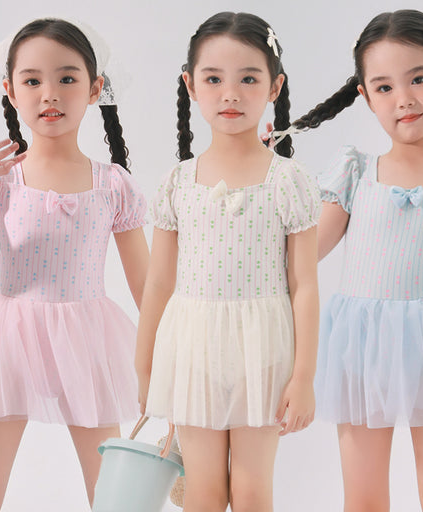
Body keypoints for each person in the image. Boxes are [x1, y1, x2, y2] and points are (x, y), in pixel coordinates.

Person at [286, 9, 423, 512]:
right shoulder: (355, 171)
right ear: (366, 96)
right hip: (359, 343)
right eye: (385, 87)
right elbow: (307, 251)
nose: (404, 99)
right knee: (364, 496)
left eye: (419, 79)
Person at [135, 12, 321, 512]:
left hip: (265, 352)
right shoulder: (178, 182)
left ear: (274, 86)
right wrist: (144, 364)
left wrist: (304, 376)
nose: (230, 94)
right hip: (193, 349)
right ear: (191, 85)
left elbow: (304, 284)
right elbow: (159, 282)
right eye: (214, 79)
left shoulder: (288, 180)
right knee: (203, 490)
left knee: (252, 490)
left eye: (249, 79)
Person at [0, 18, 149, 510]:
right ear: (10, 91)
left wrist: (170, 351)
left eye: (67, 78)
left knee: (110, 494)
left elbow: (146, 285)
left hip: (87, 340)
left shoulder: (112, 184)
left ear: (94, 88)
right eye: (32, 81)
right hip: (9, 340)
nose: (49, 93)